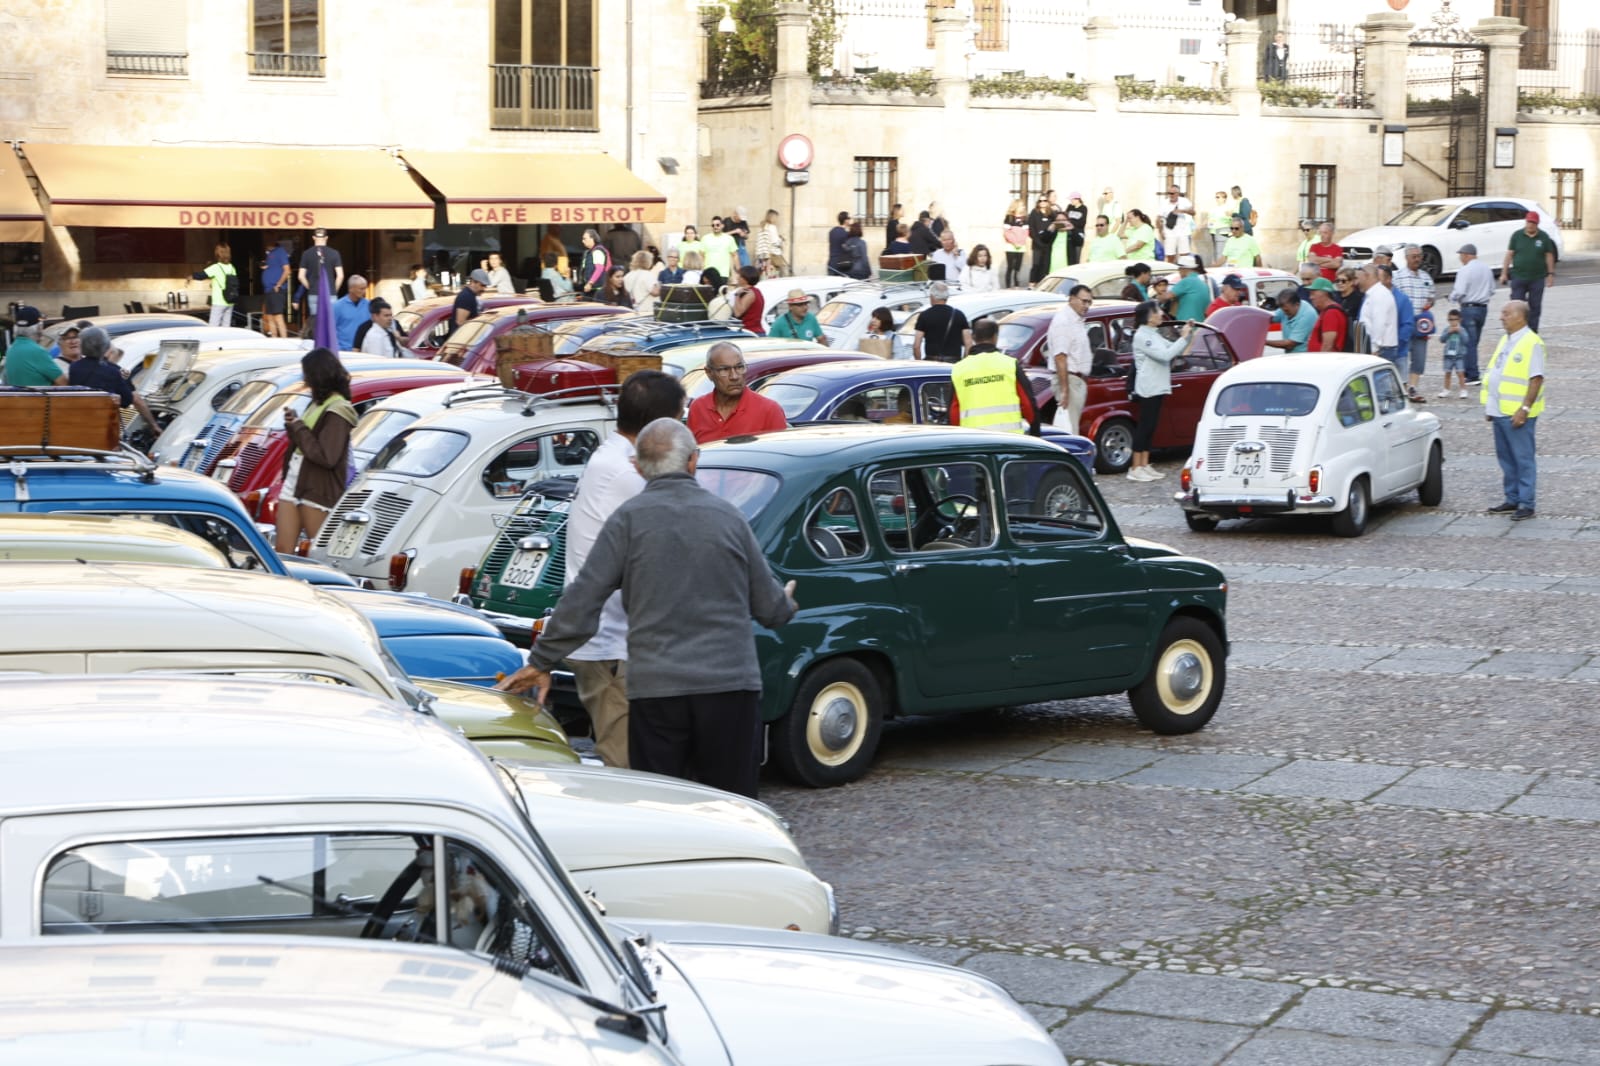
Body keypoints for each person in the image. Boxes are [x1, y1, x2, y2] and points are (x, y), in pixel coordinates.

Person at [496, 417, 796, 797]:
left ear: (638, 467)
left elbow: (583, 599)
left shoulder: (627, 521)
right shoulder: (728, 517)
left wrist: (542, 661)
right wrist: (786, 601)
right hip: (728, 687)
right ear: (694, 461)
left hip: (657, 689)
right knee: (732, 804)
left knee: (661, 804)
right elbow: (770, 609)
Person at [544, 370, 687, 769]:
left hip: (608, 637)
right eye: (681, 416)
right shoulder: (629, 475)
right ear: (662, 426)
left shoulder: (611, 458)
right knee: (626, 766)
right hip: (610, 641)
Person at [274, 348, 357, 552]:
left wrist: (298, 426)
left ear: (317, 375)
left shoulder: (339, 409)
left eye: (307, 375)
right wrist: (294, 424)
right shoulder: (316, 403)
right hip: (297, 478)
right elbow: (307, 440)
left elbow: (327, 456)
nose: (305, 381)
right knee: (282, 550)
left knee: (320, 551)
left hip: (317, 486)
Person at [1482, 299, 1544, 521]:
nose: (1501, 317)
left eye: (1506, 313)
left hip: (1517, 413)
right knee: (1506, 458)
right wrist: (1490, 406)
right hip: (1500, 410)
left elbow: (1536, 379)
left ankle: (1526, 503)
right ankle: (1512, 498)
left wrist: (1524, 409)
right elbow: (1496, 371)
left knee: (1523, 458)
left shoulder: (1531, 342)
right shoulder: (1505, 340)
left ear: (1520, 316)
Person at [1127, 300, 1195, 481]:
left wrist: (1186, 335)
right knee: (1144, 427)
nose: (1160, 314)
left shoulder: (1153, 334)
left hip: (1157, 385)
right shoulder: (1143, 336)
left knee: (1151, 427)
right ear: (1148, 317)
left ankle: (1145, 464)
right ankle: (1135, 467)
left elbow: (1171, 348)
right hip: (1148, 386)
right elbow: (1165, 355)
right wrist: (1183, 338)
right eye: (1156, 311)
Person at [947, 318, 1038, 435]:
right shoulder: (1009, 365)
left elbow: (953, 413)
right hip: (1011, 441)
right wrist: (1036, 435)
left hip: (974, 441)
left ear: (973, 337)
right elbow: (1028, 405)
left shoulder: (959, 369)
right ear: (996, 337)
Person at [68, 326, 158, 443]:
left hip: (81, 425)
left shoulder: (74, 367)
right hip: (104, 430)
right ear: (105, 346)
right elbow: (126, 401)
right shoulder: (114, 371)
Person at [687, 341, 789, 444]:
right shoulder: (698, 408)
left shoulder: (769, 410)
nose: (734, 376)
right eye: (724, 370)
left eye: (739, 367)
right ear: (709, 373)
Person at [1047, 284, 1093, 434]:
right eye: (1083, 301)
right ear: (1072, 299)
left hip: (1075, 381)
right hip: (1069, 381)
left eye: (1089, 302)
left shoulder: (1076, 320)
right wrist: (1065, 390)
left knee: (1072, 428)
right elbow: (1060, 357)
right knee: (1070, 431)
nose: (1086, 306)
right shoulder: (1063, 321)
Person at [1501, 211, 1556, 333]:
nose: (1530, 225)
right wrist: (1504, 273)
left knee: (1535, 306)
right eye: (1529, 222)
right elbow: (1509, 254)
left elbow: (1549, 256)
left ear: (1537, 224)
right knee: (1517, 305)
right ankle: (1516, 331)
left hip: (1537, 278)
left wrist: (1550, 274)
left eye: (1533, 223)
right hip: (1519, 277)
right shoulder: (1517, 235)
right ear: (1526, 222)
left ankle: (1532, 331)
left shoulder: (1543, 237)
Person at [1394, 244, 1436, 401]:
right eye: (1414, 256)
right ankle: (1402, 388)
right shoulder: (1398, 276)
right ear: (1406, 258)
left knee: (1419, 357)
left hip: (1421, 324)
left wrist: (1428, 305)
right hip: (1404, 323)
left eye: (1419, 256)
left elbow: (1432, 297)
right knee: (1402, 357)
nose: (1417, 259)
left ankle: (1412, 387)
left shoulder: (1426, 277)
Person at [1448, 242, 1492, 386]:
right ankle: (1469, 370)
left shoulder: (1465, 270)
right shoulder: (1487, 269)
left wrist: (1452, 298)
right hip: (1483, 309)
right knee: (1474, 341)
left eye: (1461, 255)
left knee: (1469, 342)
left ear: (1466, 255)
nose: (1461, 258)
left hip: (1468, 309)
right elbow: (1492, 290)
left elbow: (1459, 291)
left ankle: (1472, 375)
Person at [0, 306, 65, 387]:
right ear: (39, 327)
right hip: (40, 399)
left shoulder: (11, 350)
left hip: (18, 399)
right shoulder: (37, 351)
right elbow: (63, 383)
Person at [297, 228, 343, 339]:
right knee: (330, 321)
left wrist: (310, 286)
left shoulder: (306, 254)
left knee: (315, 322)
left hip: (314, 293)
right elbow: (340, 276)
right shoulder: (334, 253)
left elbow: (301, 276)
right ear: (326, 238)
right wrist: (334, 289)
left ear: (314, 238)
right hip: (330, 293)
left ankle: (317, 344)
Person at [1378, 262, 1416, 387]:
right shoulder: (1373, 296)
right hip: (1379, 350)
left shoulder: (1402, 299)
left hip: (1398, 352)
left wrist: (1395, 345)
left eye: (1379, 279)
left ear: (1388, 279)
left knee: (1399, 387)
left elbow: (1407, 325)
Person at [913, 281, 970, 363]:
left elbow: (916, 346)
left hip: (932, 362)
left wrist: (919, 363)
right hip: (954, 362)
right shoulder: (959, 315)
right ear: (946, 297)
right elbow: (968, 344)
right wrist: (963, 364)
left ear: (932, 296)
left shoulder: (924, 315)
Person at [1357, 264, 1398, 367]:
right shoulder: (1373, 294)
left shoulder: (1379, 295)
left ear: (1367, 276)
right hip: (1376, 348)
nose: (1357, 282)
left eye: (1359, 278)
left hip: (1381, 350)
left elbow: (1379, 323)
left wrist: (1374, 349)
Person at [194, 242, 237, 327]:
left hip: (219, 302)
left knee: (213, 327)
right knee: (226, 327)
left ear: (217, 254)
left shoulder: (216, 267)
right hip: (230, 301)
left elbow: (200, 276)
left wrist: (191, 276)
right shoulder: (232, 267)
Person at [1265, 289, 1317, 353]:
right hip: (1291, 355)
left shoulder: (1308, 315)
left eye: (1287, 311)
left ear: (1297, 304)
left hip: (1304, 356)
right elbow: (1269, 318)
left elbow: (1290, 344)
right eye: (1283, 310)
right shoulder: (1286, 308)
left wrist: (1264, 342)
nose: (1284, 313)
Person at [1305, 278, 1348, 353]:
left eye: (1313, 293)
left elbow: (1328, 346)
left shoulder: (1331, 313)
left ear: (1324, 293)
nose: (1310, 297)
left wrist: (1322, 363)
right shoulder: (1327, 311)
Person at [447, 268, 489, 341]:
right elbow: (460, 322)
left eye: (485, 286)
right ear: (473, 282)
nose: (484, 289)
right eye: (482, 285)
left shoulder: (470, 296)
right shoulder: (466, 297)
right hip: (461, 341)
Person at [262, 238, 292, 337]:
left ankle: (285, 342)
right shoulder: (269, 254)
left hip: (276, 289)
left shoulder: (280, 251)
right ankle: (274, 341)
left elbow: (287, 270)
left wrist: (279, 284)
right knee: (270, 317)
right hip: (268, 289)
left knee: (278, 316)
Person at [332, 274, 370, 350]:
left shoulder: (369, 305)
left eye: (365, 288)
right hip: (344, 350)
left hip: (365, 350)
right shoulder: (337, 306)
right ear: (351, 289)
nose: (364, 291)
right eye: (361, 289)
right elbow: (331, 329)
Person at [1170, 254, 1210, 323]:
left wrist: (1158, 298)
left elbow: (1167, 296)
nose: (1179, 271)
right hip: (1199, 325)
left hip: (1186, 325)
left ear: (1184, 269)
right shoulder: (1202, 283)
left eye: (1179, 269)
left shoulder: (1187, 281)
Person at [1161, 184, 1196, 263]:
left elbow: (1193, 212)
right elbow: (1159, 217)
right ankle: (1170, 271)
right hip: (1169, 232)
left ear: (1177, 193)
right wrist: (1161, 231)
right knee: (1170, 255)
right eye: (1169, 193)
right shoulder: (1164, 203)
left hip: (1183, 232)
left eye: (1173, 193)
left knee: (1184, 255)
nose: (1171, 195)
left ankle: (1184, 271)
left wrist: (1182, 211)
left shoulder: (1184, 201)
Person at [1438, 309, 1468, 399]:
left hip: (1459, 356)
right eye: (1450, 320)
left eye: (1455, 319)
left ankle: (1463, 390)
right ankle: (1446, 389)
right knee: (1447, 373)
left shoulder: (1462, 330)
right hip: (1448, 356)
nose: (1453, 322)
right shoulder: (1447, 329)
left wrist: (1460, 332)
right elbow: (1441, 339)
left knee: (1460, 373)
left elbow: (1466, 340)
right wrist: (1448, 333)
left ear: (1459, 320)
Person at [1335, 266, 1366, 352]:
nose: (1340, 283)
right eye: (1337, 281)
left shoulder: (1359, 298)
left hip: (1352, 338)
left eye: (1343, 281)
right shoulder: (1334, 296)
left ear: (1352, 282)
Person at [1002, 198, 1028, 288]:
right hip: (1011, 246)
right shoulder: (1009, 218)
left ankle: (1016, 285)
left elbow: (1026, 233)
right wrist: (1014, 242)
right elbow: (1006, 233)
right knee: (1010, 267)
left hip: (1021, 247)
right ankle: (1008, 286)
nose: (1023, 207)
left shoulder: (1024, 219)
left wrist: (1020, 243)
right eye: (1021, 205)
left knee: (1018, 268)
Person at [731, 265, 765, 334]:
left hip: (750, 332)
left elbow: (738, 313)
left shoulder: (749, 293)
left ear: (745, 278)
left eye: (740, 276)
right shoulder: (756, 291)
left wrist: (737, 296)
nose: (737, 278)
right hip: (755, 331)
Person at [1026, 196, 1053, 283]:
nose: (1042, 202)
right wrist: (1037, 241)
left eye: (1045, 200)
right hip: (1037, 244)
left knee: (1045, 266)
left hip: (1048, 244)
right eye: (1040, 200)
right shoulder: (1034, 212)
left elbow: (1055, 225)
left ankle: (1042, 284)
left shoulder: (1052, 213)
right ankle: (1032, 283)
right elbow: (1031, 229)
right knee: (1036, 265)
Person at [578, 228, 611, 297]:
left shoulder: (597, 251)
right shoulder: (590, 252)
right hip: (592, 289)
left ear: (592, 239)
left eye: (585, 239)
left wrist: (590, 283)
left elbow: (599, 269)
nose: (582, 241)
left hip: (596, 290)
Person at [1043, 210, 1075, 275]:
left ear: (1067, 220)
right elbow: (1043, 239)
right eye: (1058, 220)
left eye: (1063, 219)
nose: (1061, 222)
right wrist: (1048, 230)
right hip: (1052, 269)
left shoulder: (1070, 233)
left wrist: (1073, 229)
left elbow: (1080, 242)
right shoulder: (1053, 233)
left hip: (1067, 269)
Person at [757, 209, 787, 277]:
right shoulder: (772, 227)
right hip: (772, 255)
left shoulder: (762, 227)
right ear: (773, 217)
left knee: (764, 274)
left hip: (762, 255)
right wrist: (781, 240)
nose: (777, 220)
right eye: (776, 217)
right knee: (773, 275)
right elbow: (775, 242)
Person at [1207, 193, 1236, 263]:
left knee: (1223, 251)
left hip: (1223, 231)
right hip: (1213, 231)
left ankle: (1223, 267)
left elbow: (1231, 220)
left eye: (1218, 197)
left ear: (1224, 198)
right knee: (1216, 250)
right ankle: (1218, 265)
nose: (1216, 199)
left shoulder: (1228, 208)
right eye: (1216, 197)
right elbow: (1210, 219)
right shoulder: (1213, 209)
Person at [1063, 193, 1089, 265]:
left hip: (1078, 235)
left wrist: (1071, 224)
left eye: (1072, 199)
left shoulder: (1084, 208)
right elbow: (1065, 218)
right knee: (1069, 258)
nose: (1071, 201)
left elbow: (1082, 222)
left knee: (1077, 258)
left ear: (1077, 199)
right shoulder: (1069, 207)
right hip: (1069, 235)